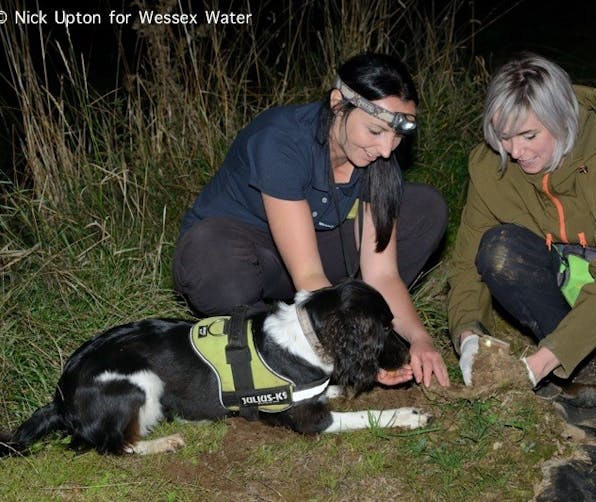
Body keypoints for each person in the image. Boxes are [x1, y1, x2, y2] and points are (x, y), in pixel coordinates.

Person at [447, 53, 596, 443]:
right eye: (503, 137)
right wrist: (467, 334)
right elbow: (466, 262)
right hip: (565, 284)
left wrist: (540, 362)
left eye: (529, 136)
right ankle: (583, 358)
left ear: (562, 121)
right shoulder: (490, 167)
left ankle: (588, 348)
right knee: (499, 250)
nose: (516, 151)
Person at [173, 53, 450, 388]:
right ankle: (275, 344)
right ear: (338, 104)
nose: (387, 149)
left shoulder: (379, 157)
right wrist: (355, 358)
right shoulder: (282, 140)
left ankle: (349, 322)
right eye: (375, 130)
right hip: (246, 253)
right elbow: (308, 274)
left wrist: (420, 338)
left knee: (425, 207)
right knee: (212, 256)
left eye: (396, 136)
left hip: (309, 254)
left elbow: (383, 273)